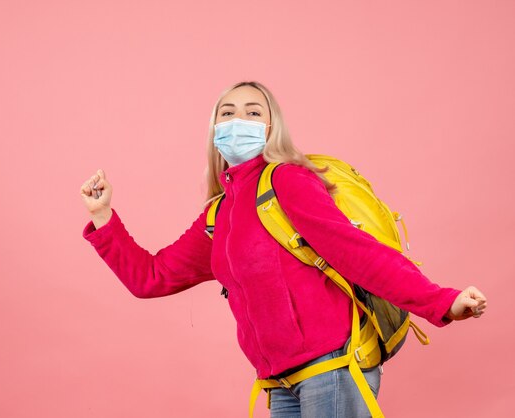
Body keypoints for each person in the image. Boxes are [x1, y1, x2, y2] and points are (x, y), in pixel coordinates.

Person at [78, 80, 487, 418]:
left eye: (254, 112)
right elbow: (152, 278)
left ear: (272, 127)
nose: (239, 120)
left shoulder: (287, 180)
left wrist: (441, 302)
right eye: (228, 112)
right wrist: (103, 217)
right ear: (213, 128)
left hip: (333, 370)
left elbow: (358, 254)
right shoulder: (220, 213)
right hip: (280, 382)